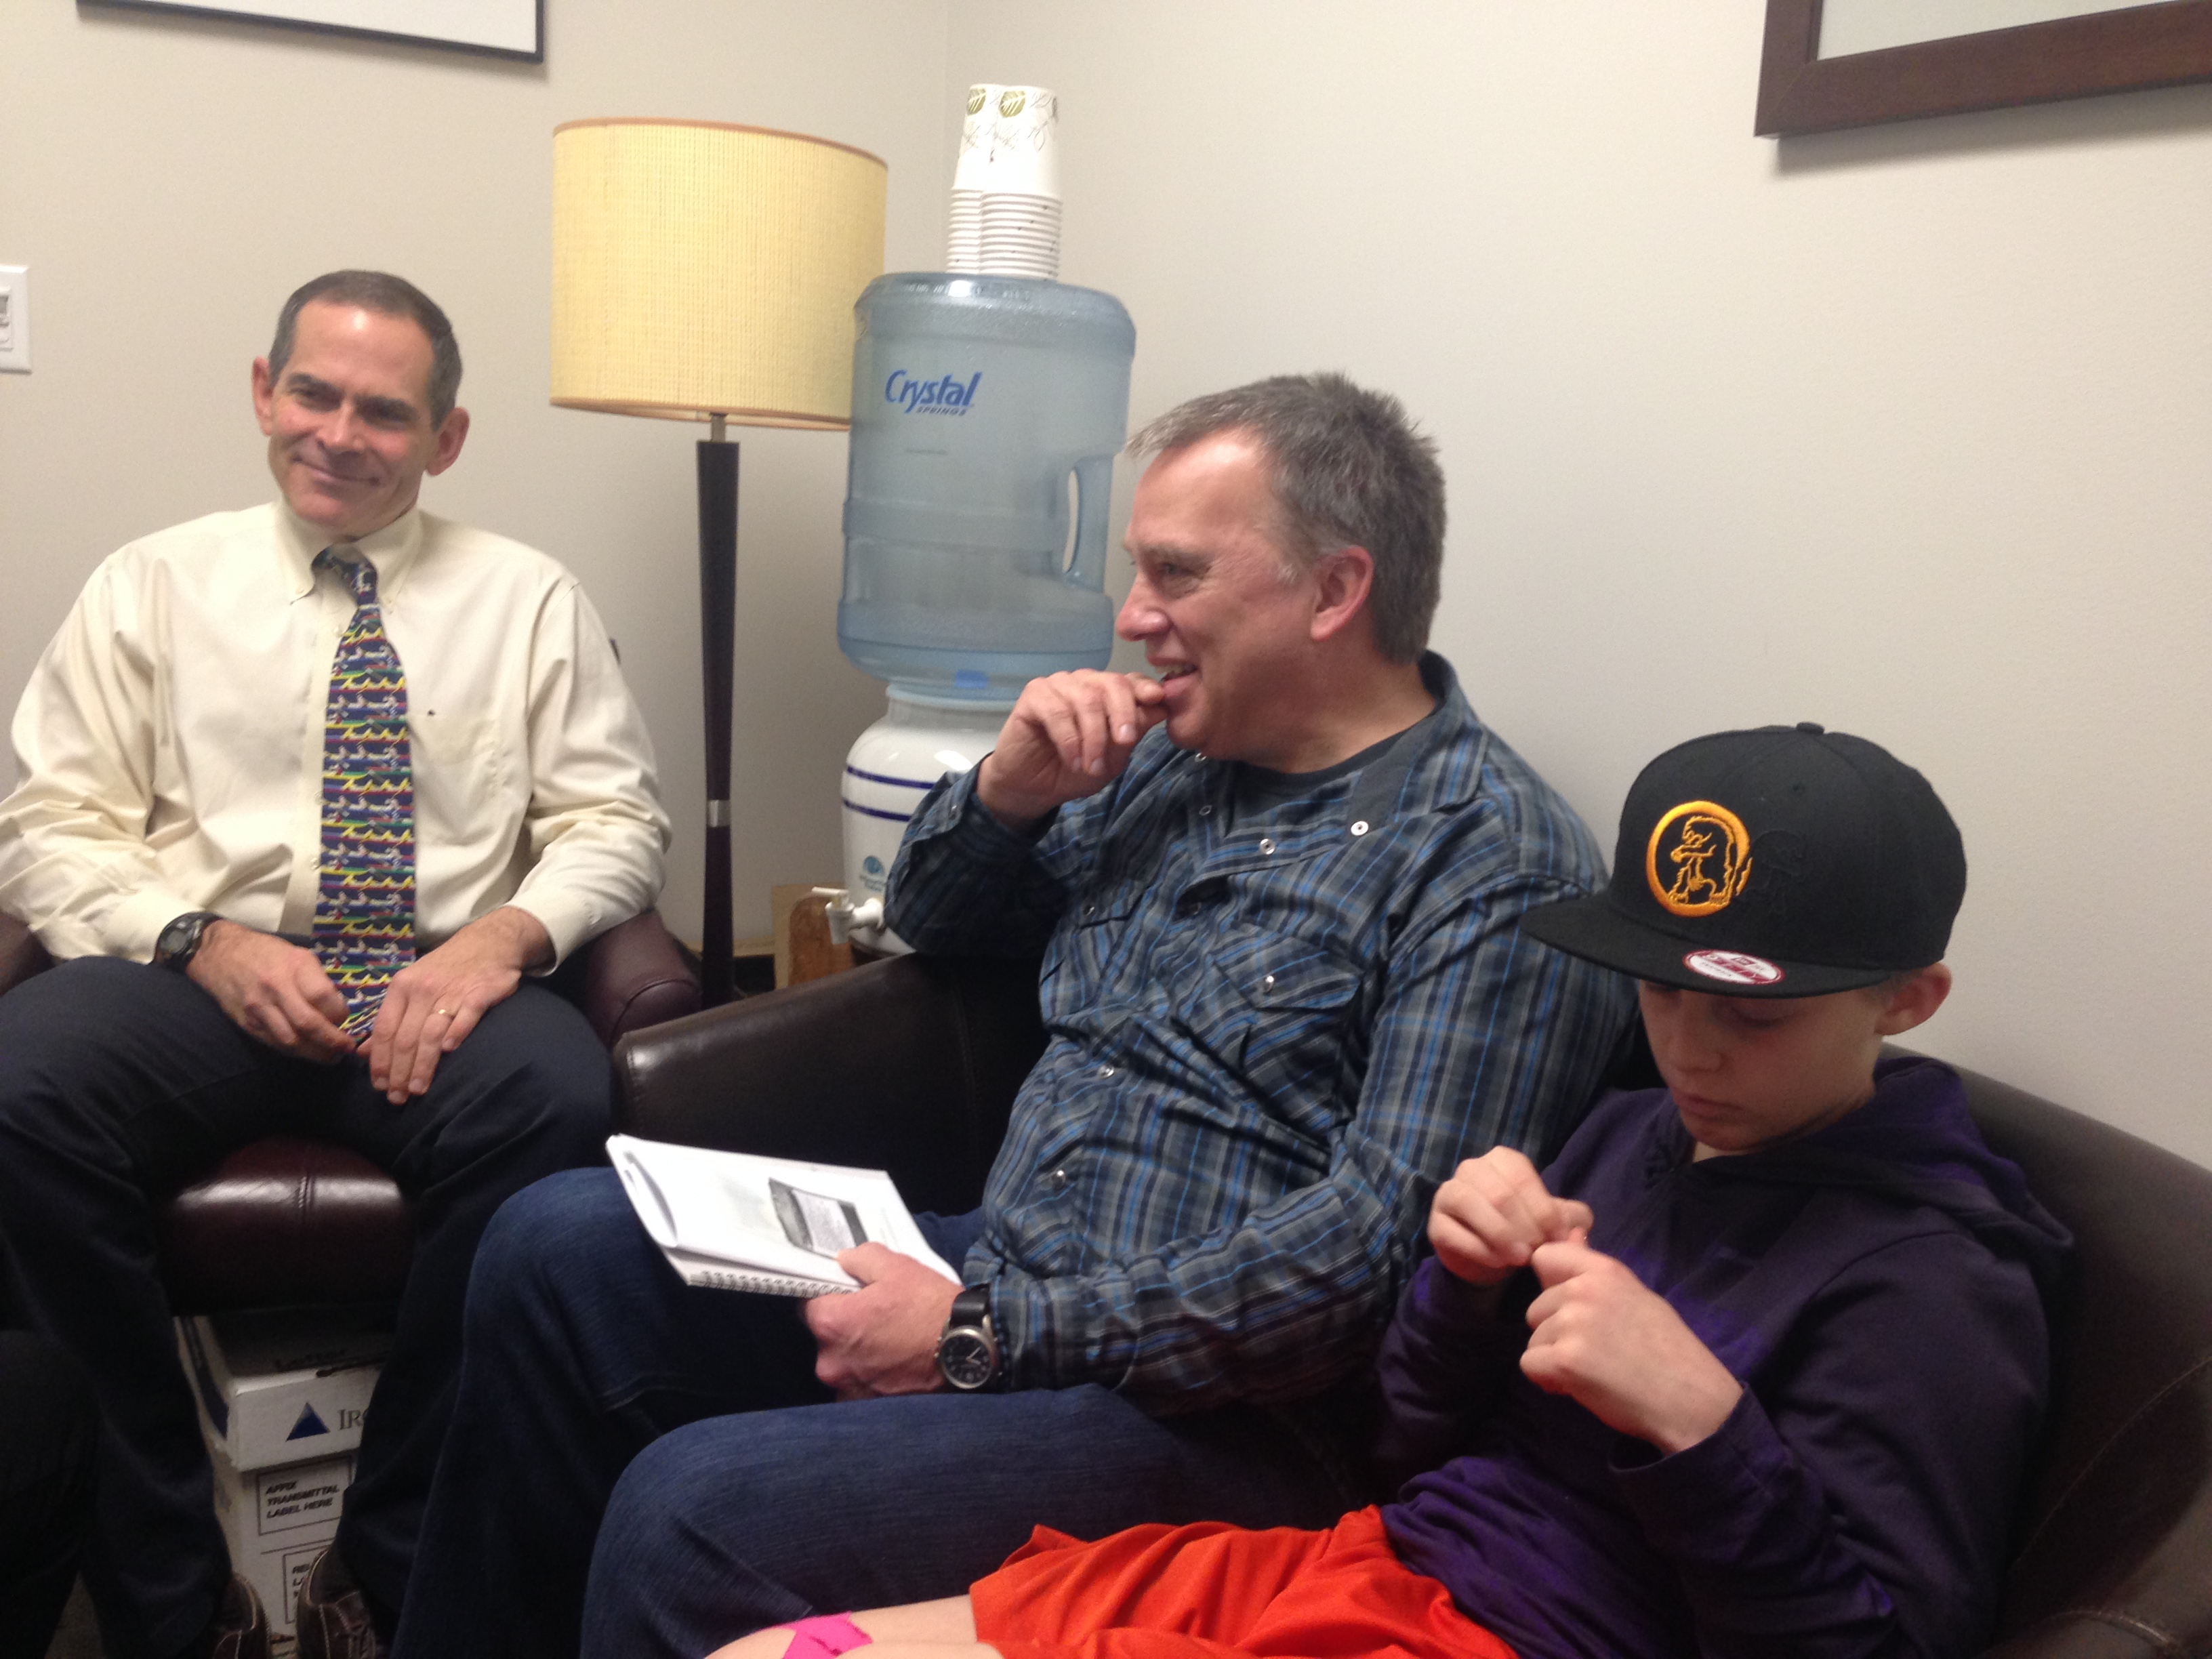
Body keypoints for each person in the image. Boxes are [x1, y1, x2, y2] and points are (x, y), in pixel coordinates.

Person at [392, 373, 1635, 1659]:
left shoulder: (1492, 864)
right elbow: (926, 917)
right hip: (1007, 1263)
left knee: (688, 1514)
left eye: (1176, 573)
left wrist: (981, 1340)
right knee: (553, 1245)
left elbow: (1371, 1264)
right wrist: (1009, 789)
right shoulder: (1175, 759)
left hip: (1230, 1415)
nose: (1132, 614)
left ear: (1334, 593)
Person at [709, 722, 2068, 1659]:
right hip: (1371, 1568)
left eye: (1753, 1018)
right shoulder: (1626, 1142)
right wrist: (1459, 1293)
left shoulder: (1936, 1282)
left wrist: (1701, 1428)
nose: (1692, 1047)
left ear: (1908, 1002)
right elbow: (1411, 1446)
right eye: (1658, 989)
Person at [0, 270, 670, 1659]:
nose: (339, 432)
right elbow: (49, 830)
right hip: (194, 978)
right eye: (313, 393)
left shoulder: (529, 599)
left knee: (552, 1102)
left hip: (440, 982)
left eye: (384, 410)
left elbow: (616, 822)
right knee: (21, 1092)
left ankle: (391, 1556)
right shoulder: (151, 585)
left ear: (447, 437)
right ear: (264, 390)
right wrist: (199, 940)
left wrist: (499, 941)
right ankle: (168, 1586)